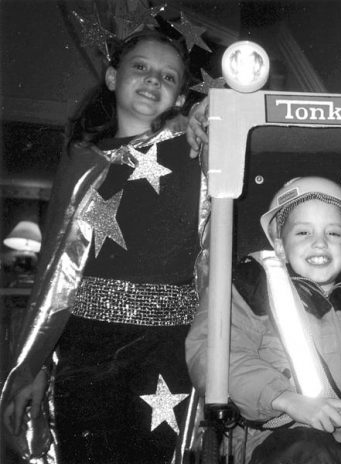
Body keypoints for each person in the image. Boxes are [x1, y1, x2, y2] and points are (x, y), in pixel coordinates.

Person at [1, 28, 204, 463]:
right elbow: (55, 275)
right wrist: (34, 364)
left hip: (167, 346)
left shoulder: (196, 153)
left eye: (169, 77)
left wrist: (205, 121)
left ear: (182, 96)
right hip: (86, 345)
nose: (154, 80)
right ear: (113, 77)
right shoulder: (82, 162)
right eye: (141, 68)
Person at [185, 176, 341, 464]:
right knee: (310, 453)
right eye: (303, 233)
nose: (319, 243)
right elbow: (212, 353)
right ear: (279, 245)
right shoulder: (247, 284)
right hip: (278, 433)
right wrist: (288, 400)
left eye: (333, 234)